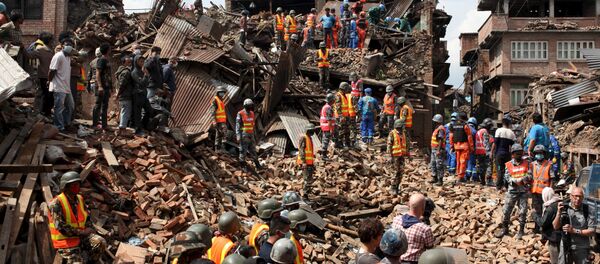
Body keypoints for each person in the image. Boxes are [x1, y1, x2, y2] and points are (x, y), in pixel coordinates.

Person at [47, 172, 107, 263]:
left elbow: (86, 217)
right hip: (65, 242)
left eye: (78, 184)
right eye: (73, 185)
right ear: (65, 187)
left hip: (81, 238)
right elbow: (60, 227)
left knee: (100, 242)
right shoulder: (56, 203)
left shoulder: (79, 199)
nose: (76, 187)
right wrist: (82, 232)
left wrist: (89, 228)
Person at [496, 144, 531, 239]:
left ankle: (521, 230)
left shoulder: (527, 163)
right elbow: (507, 176)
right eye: (517, 154)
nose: (519, 155)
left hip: (523, 191)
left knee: (523, 211)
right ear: (513, 154)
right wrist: (514, 181)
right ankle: (505, 228)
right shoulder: (508, 164)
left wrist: (523, 180)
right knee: (507, 210)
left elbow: (530, 175)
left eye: (521, 153)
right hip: (512, 191)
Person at [553, 187, 595, 264]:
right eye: (575, 196)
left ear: (583, 197)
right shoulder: (564, 208)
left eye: (580, 196)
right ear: (570, 196)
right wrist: (558, 213)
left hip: (581, 247)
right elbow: (555, 226)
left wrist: (574, 230)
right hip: (565, 245)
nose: (577, 199)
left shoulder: (588, 209)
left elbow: (592, 231)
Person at [391, 193, 435, 262]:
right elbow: (430, 249)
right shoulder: (425, 229)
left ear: (408, 205)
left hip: (395, 260)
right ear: (423, 209)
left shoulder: (396, 220)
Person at [28, 32, 54, 116]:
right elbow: (30, 55)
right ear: (49, 41)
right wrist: (22, 49)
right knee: (46, 96)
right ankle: (42, 113)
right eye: (52, 40)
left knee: (49, 96)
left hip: (50, 76)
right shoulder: (41, 49)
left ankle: (45, 113)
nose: (53, 42)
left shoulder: (50, 50)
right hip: (43, 76)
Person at [49, 44, 74, 131]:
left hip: (66, 87)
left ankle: (66, 123)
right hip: (59, 86)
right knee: (59, 108)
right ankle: (59, 127)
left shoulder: (68, 57)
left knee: (70, 106)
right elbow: (52, 70)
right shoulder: (58, 56)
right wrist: (49, 81)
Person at [531, 145, 555, 233]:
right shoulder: (532, 164)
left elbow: (552, 178)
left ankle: (545, 228)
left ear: (544, 154)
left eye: (540, 153)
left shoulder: (549, 164)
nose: (539, 155)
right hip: (534, 191)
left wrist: (551, 191)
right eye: (537, 153)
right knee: (537, 210)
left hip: (545, 193)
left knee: (545, 211)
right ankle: (537, 228)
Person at [536, 187, 562, 264]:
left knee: (555, 260)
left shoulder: (550, 208)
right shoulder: (558, 202)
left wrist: (534, 215)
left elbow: (542, 223)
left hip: (554, 238)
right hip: (561, 237)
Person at [491, 117, 516, 190]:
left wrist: (491, 152)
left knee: (499, 169)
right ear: (508, 124)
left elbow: (495, 143)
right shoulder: (511, 133)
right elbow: (512, 146)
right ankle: (506, 185)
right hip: (507, 155)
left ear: (502, 123)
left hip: (499, 154)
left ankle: (499, 186)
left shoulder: (499, 130)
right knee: (507, 170)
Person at [131, 55, 152, 136]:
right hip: (137, 95)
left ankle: (142, 126)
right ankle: (138, 129)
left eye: (143, 61)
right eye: (140, 61)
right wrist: (146, 75)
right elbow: (142, 83)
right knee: (137, 113)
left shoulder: (142, 71)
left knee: (149, 110)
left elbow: (147, 83)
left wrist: (145, 75)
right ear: (136, 62)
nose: (142, 63)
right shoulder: (134, 72)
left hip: (143, 94)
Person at [449, 112, 474, 183]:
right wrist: (471, 147)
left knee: (458, 161)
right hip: (464, 146)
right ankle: (461, 177)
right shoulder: (465, 126)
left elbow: (451, 137)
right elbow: (469, 137)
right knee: (463, 161)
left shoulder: (453, 125)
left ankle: (458, 175)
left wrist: (451, 146)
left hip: (456, 146)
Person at [93, 43, 113, 130]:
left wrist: (110, 87)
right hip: (101, 87)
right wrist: (100, 86)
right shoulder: (101, 60)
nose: (111, 50)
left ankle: (104, 125)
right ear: (107, 50)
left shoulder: (107, 60)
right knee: (98, 105)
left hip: (107, 86)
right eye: (110, 48)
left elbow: (108, 75)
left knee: (105, 106)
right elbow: (98, 74)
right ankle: (95, 124)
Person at [236, 99, 261, 169]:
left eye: (251, 105)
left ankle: (257, 165)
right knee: (243, 151)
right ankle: (242, 165)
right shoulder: (240, 113)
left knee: (253, 150)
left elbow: (253, 124)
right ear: (245, 106)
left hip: (251, 134)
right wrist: (238, 135)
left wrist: (254, 134)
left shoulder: (252, 113)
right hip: (244, 135)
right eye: (249, 106)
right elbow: (237, 125)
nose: (250, 107)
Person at [387, 120, 409, 194]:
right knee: (395, 172)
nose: (404, 126)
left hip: (401, 156)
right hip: (395, 156)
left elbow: (406, 144)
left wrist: (408, 154)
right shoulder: (392, 133)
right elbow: (389, 145)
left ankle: (397, 187)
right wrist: (390, 156)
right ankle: (393, 187)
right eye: (402, 125)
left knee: (401, 172)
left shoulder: (403, 133)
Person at [297, 124, 316, 197]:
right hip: (305, 163)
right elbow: (301, 151)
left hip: (309, 163)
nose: (313, 132)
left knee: (309, 179)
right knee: (307, 180)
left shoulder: (309, 138)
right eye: (311, 130)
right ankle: (304, 196)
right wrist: (304, 162)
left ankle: (307, 195)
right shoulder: (304, 138)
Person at [116, 55, 134, 131]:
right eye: (128, 62)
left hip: (123, 94)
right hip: (125, 94)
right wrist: (118, 94)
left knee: (124, 110)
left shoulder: (120, 70)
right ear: (124, 63)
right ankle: (122, 127)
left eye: (131, 62)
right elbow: (122, 84)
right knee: (126, 110)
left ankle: (122, 125)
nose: (130, 64)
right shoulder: (126, 72)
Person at [475, 118, 493, 186]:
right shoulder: (485, 131)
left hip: (478, 151)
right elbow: (486, 143)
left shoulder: (478, 131)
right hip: (484, 151)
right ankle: (489, 181)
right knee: (488, 166)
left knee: (481, 166)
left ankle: (482, 181)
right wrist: (489, 153)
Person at [430, 114, 446, 186]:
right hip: (434, 149)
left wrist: (438, 150)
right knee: (433, 163)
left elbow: (440, 140)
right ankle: (434, 177)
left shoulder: (440, 129)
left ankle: (440, 180)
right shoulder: (437, 128)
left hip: (438, 149)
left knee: (439, 165)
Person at [319, 93, 336, 161]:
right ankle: (324, 155)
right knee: (326, 140)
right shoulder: (328, 108)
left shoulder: (325, 106)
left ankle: (323, 153)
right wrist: (331, 129)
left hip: (324, 126)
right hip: (327, 126)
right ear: (331, 100)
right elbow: (329, 119)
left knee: (325, 139)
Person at [334, 82, 351, 148]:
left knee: (347, 130)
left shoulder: (344, 95)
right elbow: (338, 107)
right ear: (344, 89)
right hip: (340, 117)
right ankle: (339, 143)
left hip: (346, 116)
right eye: (346, 89)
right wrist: (341, 116)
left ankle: (347, 143)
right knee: (341, 130)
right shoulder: (338, 95)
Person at [211, 86, 228, 152]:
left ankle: (217, 148)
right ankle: (223, 148)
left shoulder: (221, 100)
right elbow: (212, 111)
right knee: (225, 132)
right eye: (222, 92)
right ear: (218, 92)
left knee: (219, 134)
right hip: (218, 121)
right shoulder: (215, 100)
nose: (223, 94)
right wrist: (214, 121)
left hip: (222, 121)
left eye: (223, 92)